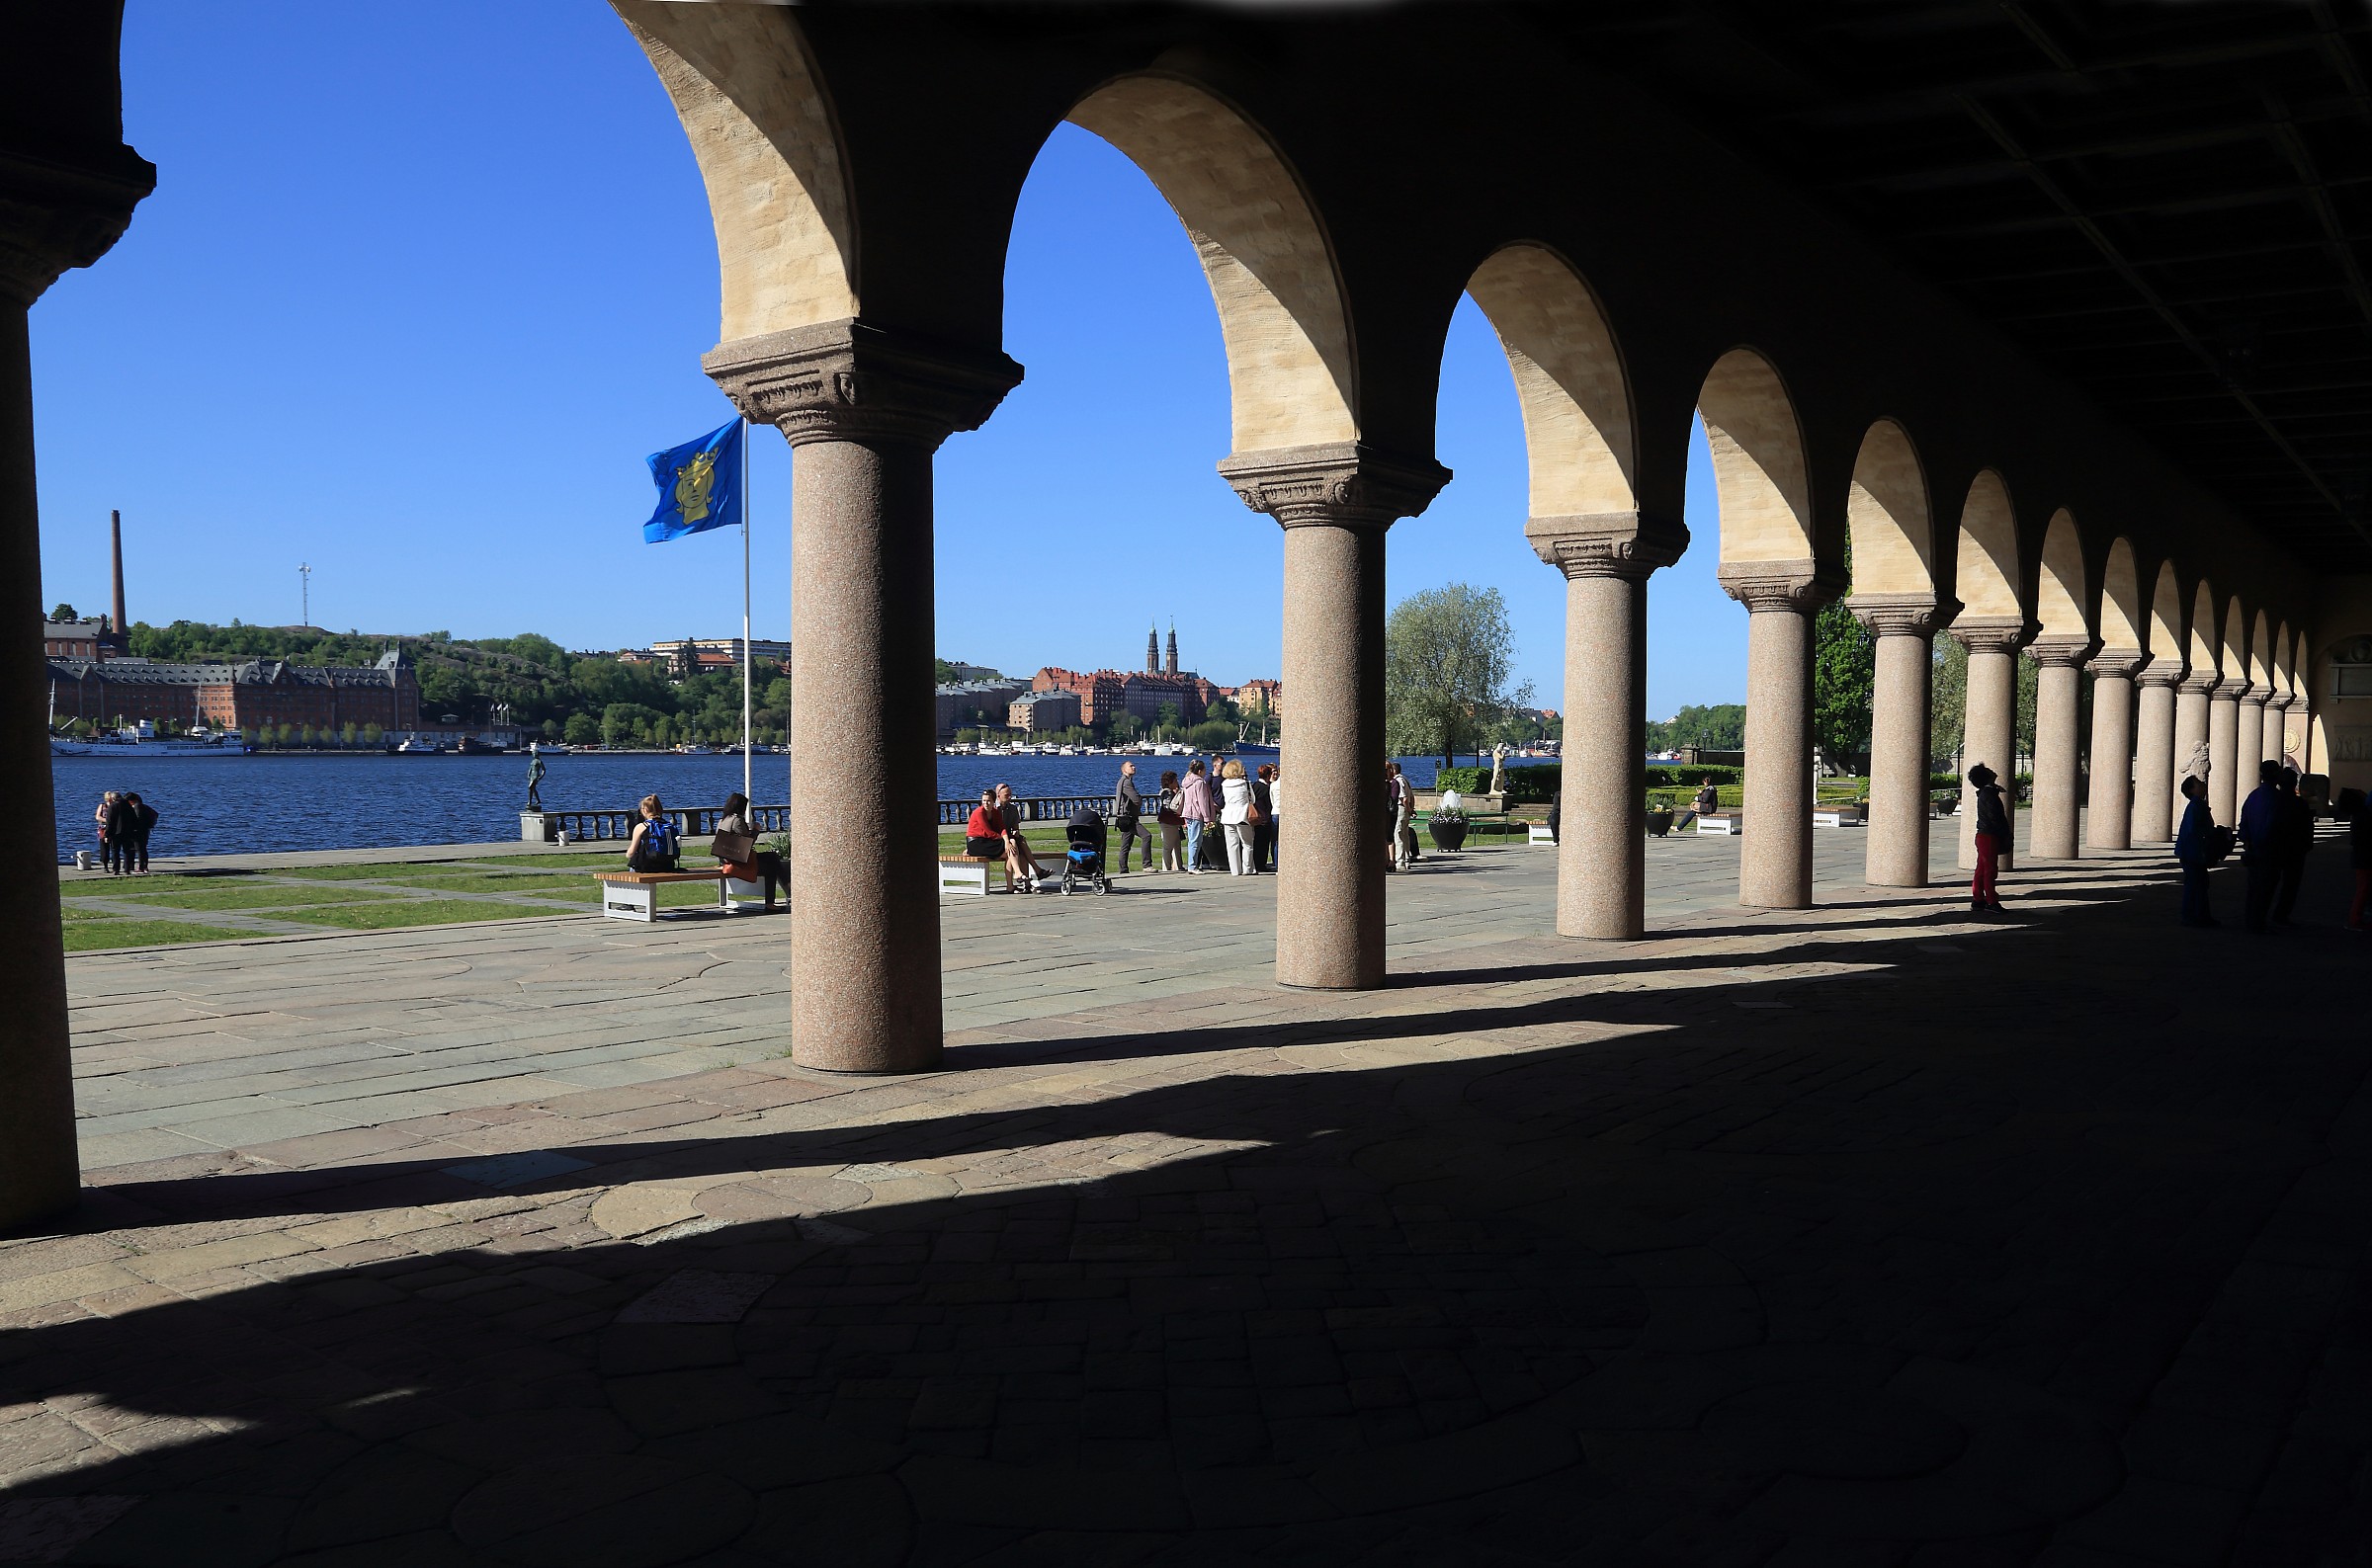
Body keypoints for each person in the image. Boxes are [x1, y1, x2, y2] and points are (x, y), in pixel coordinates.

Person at [713, 791, 785, 912]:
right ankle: (772, 902)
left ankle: (787, 889)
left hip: (725, 859)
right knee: (772, 867)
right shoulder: (737, 821)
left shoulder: (722, 820)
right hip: (738, 861)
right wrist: (756, 830)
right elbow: (748, 843)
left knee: (771, 857)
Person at [2237, 758, 2284, 934]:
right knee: (2266, 889)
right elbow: (2274, 826)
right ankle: (2258, 921)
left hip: (2253, 849)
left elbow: (2244, 822)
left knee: (2253, 888)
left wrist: (2248, 842)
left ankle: (2251, 919)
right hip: (2269, 852)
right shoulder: (2277, 798)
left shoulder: (2253, 796)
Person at [2271, 766, 2314, 930]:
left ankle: (2264, 913)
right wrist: (2307, 845)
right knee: (2290, 885)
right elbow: (2307, 827)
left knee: (2270, 882)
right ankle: (2281, 914)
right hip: (2295, 850)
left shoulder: (2274, 801)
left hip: (2276, 847)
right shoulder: (2300, 804)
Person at [2175, 775, 2217, 928]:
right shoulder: (2196, 806)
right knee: (2196, 884)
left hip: (2192, 852)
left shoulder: (2197, 805)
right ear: (2193, 790)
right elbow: (2194, 831)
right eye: (2198, 783)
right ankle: (2192, 916)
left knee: (2199, 883)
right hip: (2192, 853)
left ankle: (2200, 915)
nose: (2203, 784)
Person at [1969, 763, 2008, 913]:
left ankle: (1978, 899)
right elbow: (1995, 817)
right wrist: (2003, 834)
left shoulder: (1986, 792)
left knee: (1982, 868)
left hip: (1984, 835)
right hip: (1990, 835)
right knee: (1990, 870)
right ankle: (1991, 901)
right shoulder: (1989, 794)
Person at [994, 783, 1045, 890]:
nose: (1009, 798)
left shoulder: (1012, 809)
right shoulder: (993, 809)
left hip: (1010, 838)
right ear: (998, 796)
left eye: (1010, 795)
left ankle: (1026, 883)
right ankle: (1035, 871)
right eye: (1006, 795)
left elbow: (1015, 827)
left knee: (1020, 844)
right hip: (997, 840)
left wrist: (1015, 832)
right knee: (1015, 846)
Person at [1112, 760, 1151, 872]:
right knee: (1147, 836)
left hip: (1124, 817)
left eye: (1134, 765)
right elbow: (1136, 799)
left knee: (1126, 844)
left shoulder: (1124, 781)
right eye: (1131, 766)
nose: (1134, 767)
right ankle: (1147, 865)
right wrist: (1139, 799)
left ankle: (1123, 868)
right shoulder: (1126, 782)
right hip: (1128, 818)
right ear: (1124, 769)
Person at [1219, 758, 1256, 875]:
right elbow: (1253, 800)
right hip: (1242, 815)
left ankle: (1235, 870)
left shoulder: (1224, 784)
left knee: (1232, 845)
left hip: (1227, 816)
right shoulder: (1245, 783)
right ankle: (1247, 868)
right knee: (1247, 844)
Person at [626, 794, 680, 872]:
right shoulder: (669, 826)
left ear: (645, 810)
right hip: (667, 866)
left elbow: (631, 853)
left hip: (646, 867)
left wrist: (628, 855)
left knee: (632, 867)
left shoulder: (642, 826)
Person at [1180, 759, 1215, 874]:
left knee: (1192, 840)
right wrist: (1207, 818)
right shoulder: (1200, 783)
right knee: (1196, 841)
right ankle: (1192, 865)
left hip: (1188, 813)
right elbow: (1202, 801)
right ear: (1200, 771)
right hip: (1196, 813)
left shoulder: (1187, 781)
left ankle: (1192, 864)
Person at [2349, 789, 2372, 934]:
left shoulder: (2360, 817)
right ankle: (2355, 919)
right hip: (2365, 858)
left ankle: (2357, 917)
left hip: (2362, 857)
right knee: (2363, 889)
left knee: (2364, 888)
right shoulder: (2365, 819)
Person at [1155, 770, 1186, 871]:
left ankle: (1177, 866)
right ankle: (1167, 868)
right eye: (1176, 780)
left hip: (1170, 821)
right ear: (1171, 782)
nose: (1177, 782)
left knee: (1175, 844)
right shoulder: (1168, 792)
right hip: (1168, 821)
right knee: (1168, 846)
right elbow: (1168, 806)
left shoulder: (1165, 791)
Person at [122, 792, 156, 874]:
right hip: (144, 830)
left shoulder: (137, 806)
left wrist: (132, 827)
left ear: (131, 800)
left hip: (138, 831)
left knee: (140, 849)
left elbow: (137, 819)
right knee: (143, 849)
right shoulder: (143, 806)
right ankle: (145, 866)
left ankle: (141, 867)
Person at [1252, 764, 1278, 874]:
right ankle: (1261, 864)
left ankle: (1257, 863)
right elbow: (1269, 803)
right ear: (1268, 775)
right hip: (1265, 817)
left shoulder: (1255, 786)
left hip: (1256, 817)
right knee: (1264, 843)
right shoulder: (1265, 788)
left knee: (1257, 842)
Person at [95, 791, 120, 874]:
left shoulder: (115, 806)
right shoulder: (102, 806)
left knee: (114, 848)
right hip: (103, 829)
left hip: (114, 829)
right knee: (104, 848)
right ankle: (105, 865)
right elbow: (98, 817)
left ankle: (115, 866)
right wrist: (107, 821)